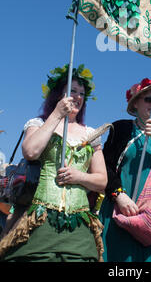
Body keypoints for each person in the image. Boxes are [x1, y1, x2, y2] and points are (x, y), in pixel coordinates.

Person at [0, 64, 107, 262]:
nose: (78, 96)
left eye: (82, 93)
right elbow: (30, 151)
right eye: (72, 91)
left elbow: (102, 181)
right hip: (38, 218)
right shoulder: (38, 124)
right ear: (58, 94)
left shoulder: (91, 135)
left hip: (79, 226)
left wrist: (79, 176)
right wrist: (57, 115)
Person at [99, 77, 151, 262]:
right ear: (135, 102)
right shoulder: (120, 128)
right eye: (149, 99)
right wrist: (118, 195)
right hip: (120, 207)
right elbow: (105, 166)